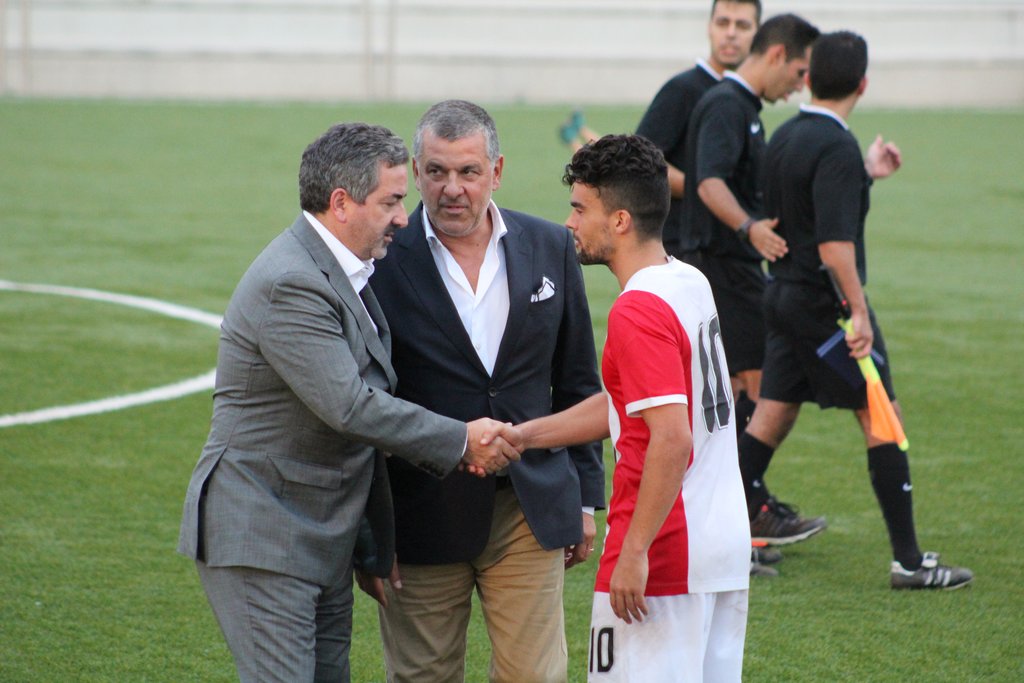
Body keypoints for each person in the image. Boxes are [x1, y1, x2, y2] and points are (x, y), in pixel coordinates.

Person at [176, 122, 522, 683]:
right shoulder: (292, 282)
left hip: (318, 535)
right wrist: (462, 439)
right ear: (341, 203)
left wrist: (369, 543)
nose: (404, 217)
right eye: (390, 201)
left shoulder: (345, 270)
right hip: (265, 534)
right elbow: (351, 408)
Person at [367, 100, 605, 682]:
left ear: (496, 172)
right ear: (416, 172)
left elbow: (578, 380)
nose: (452, 188)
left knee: (535, 676)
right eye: (437, 172)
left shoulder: (550, 246)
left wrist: (584, 498)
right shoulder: (378, 259)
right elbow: (364, 404)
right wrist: (373, 530)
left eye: (468, 172)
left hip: (529, 503)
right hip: (420, 512)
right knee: (423, 676)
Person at [504, 133, 750, 681]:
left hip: (664, 554)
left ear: (619, 220)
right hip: (722, 549)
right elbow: (629, 406)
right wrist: (525, 437)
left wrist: (634, 551)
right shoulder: (688, 280)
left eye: (579, 209)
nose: (569, 223)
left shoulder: (637, 310)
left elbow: (672, 437)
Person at [742, 30, 973, 589]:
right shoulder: (836, 147)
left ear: (808, 77)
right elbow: (833, 247)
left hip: (782, 297)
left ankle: (713, 541)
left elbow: (803, 208)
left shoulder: (787, 135)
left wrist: (864, 173)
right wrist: (859, 313)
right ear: (863, 84)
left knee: (771, 416)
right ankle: (909, 564)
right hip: (825, 310)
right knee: (881, 415)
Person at [681, 13, 826, 545]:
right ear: (777, 55)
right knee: (764, 389)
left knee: (745, 391)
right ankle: (739, 510)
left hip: (732, 266)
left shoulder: (744, 108)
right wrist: (749, 228)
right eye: (800, 72)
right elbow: (708, 183)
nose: (800, 85)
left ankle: (741, 507)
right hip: (722, 265)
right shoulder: (726, 105)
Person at [561, 0, 761, 260]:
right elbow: (640, 165)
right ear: (709, 27)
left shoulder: (742, 98)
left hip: (728, 249)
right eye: (723, 23)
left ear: (758, 33)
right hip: (686, 249)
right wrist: (708, 188)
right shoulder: (683, 89)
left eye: (742, 25)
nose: (731, 33)